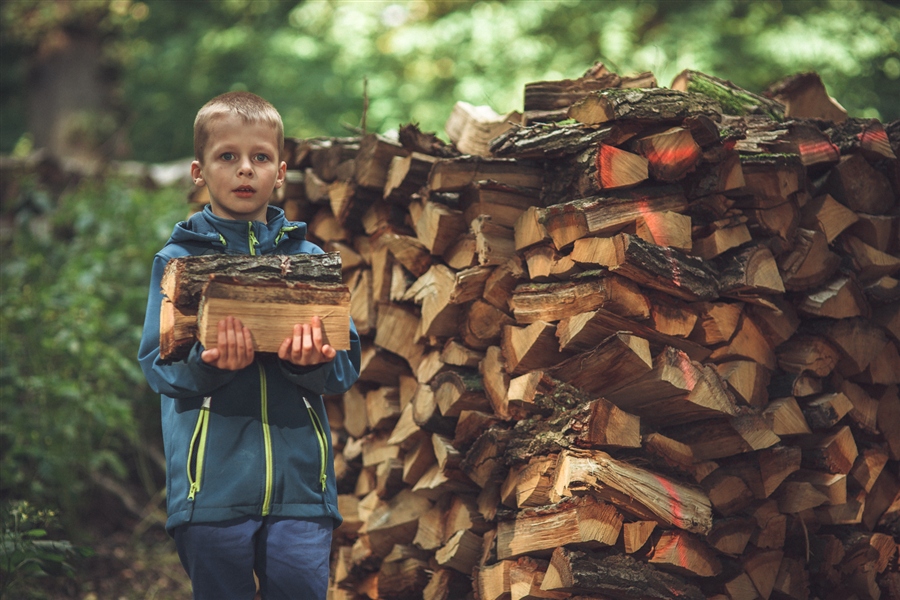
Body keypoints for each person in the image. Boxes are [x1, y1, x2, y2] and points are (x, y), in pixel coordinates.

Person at [137, 91, 360, 600]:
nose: (245, 170)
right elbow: (157, 366)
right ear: (199, 171)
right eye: (227, 157)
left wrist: (310, 365)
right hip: (209, 489)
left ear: (280, 172)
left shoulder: (311, 259)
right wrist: (209, 365)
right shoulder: (176, 261)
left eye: (260, 157)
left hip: (301, 490)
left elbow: (346, 365)